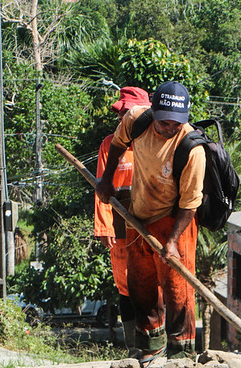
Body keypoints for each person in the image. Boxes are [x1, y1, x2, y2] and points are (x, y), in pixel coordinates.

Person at [96, 81, 204, 368]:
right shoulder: (136, 120)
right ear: (153, 111)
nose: (170, 128)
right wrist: (106, 180)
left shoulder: (192, 148)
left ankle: (181, 355)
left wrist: (171, 241)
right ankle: (149, 349)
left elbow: (191, 203)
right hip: (139, 214)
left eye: (176, 124)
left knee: (176, 287)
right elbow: (118, 143)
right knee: (140, 285)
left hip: (176, 219)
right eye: (164, 122)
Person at [94, 86, 151, 353]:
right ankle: (134, 349)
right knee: (126, 286)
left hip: (152, 224)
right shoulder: (110, 145)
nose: (122, 120)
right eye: (121, 114)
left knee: (154, 285)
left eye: (127, 114)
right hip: (121, 229)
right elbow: (102, 188)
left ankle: (156, 345)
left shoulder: (157, 140)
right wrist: (104, 226)